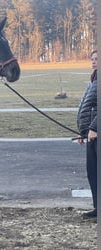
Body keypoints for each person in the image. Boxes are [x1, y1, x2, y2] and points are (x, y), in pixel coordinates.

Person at [77, 50, 97, 220]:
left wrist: (95, 128)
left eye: (97, 59)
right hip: (92, 135)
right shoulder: (94, 81)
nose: (94, 62)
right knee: (92, 172)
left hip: (97, 134)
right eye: (92, 59)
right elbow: (88, 108)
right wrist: (83, 132)